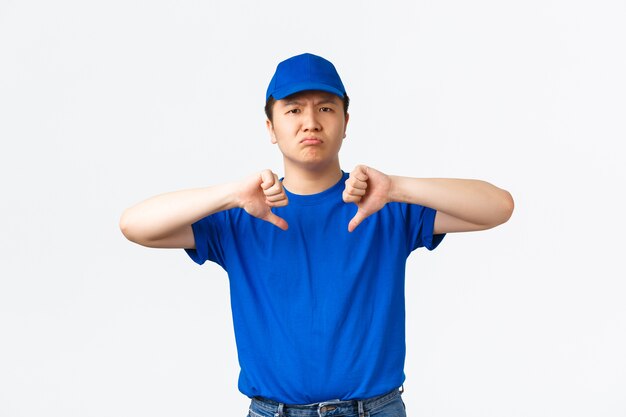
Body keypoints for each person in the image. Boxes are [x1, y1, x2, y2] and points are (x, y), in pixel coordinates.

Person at [120, 52, 514, 417]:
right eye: (294, 110)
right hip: (273, 411)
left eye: (326, 108)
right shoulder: (242, 215)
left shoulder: (381, 205)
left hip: (374, 409)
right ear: (271, 128)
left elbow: (498, 207)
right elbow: (135, 225)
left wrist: (396, 187)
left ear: (345, 123)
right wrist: (227, 196)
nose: (311, 122)